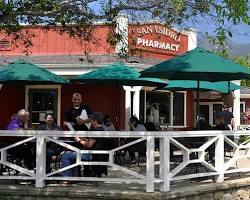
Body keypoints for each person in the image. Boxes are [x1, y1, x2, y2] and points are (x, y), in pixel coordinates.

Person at [60, 112, 105, 177]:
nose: (90, 121)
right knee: (71, 154)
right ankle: (74, 175)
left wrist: (79, 140)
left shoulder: (96, 131)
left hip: (91, 155)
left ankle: (66, 178)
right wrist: (81, 137)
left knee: (65, 155)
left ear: (95, 120)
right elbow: (92, 141)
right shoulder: (102, 130)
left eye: (91, 120)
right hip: (97, 154)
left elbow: (89, 145)